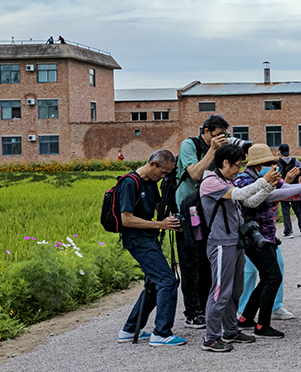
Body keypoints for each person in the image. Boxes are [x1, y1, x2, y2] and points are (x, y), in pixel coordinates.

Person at [200, 143, 279, 353]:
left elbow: (249, 202)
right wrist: (264, 181)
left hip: (236, 242)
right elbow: (240, 194)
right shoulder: (210, 182)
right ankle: (211, 337)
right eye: (237, 165)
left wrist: (269, 186)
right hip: (220, 243)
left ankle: (231, 331)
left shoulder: (227, 181)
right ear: (225, 163)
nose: (239, 169)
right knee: (220, 291)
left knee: (235, 290)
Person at [234, 144, 301, 338]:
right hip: (253, 237)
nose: (272, 167)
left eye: (272, 163)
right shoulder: (243, 180)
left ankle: (245, 318)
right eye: (267, 164)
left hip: (267, 235)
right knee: (273, 277)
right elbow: (270, 195)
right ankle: (262, 325)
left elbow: (284, 188)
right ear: (256, 165)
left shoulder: (267, 177)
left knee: (268, 276)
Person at [117, 150, 186, 347]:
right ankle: (161, 333)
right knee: (167, 281)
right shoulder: (129, 183)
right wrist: (160, 224)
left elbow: (159, 208)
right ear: (153, 164)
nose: (163, 176)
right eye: (163, 172)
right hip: (137, 239)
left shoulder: (151, 182)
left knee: (154, 284)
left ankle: (129, 330)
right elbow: (126, 219)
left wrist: (172, 219)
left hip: (148, 238)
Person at [173, 115, 232, 329]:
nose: (221, 138)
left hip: (209, 211)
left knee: (208, 261)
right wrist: (212, 150)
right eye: (217, 135)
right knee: (190, 262)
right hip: (188, 212)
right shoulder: (189, 145)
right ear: (206, 131)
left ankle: (208, 307)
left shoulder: (219, 148)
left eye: (224, 135)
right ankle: (192, 312)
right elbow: (196, 174)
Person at [277, 143, 301, 238]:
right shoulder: (295, 161)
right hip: (295, 189)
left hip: (284, 190)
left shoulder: (278, 163)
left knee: (286, 212)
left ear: (280, 151)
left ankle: (288, 232)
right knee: (299, 211)